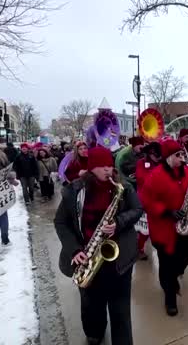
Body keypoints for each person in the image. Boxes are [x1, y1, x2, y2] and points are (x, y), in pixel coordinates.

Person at [54, 146, 142, 345]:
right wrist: (74, 249)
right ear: (92, 167)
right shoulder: (74, 190)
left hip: (119, 260)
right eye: (101, 166)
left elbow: (137, 209)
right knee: (91, 304)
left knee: (120, 310)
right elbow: (60, 222)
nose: (107, 170)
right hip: (87, 257)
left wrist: (118, 223)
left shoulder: (123, 187)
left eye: (109, 165)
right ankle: (94, 332)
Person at [139, 139, 188, 316]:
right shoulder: (155, 175)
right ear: (168, 157)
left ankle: (175, 274)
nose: (182, 157)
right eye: (178, 155)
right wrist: (167, 212)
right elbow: (146, 200)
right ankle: (170, 300)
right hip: (165, 229)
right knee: (167, 264)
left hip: (187, 226)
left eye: (182, 154)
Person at [134, 141, 162, 260]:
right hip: (144, 200)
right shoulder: (141, 163)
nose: (158, 157)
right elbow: (142, 179)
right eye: (155, 155)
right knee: (144, 230)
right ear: (149, 154)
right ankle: (138, 249)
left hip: (158, 200)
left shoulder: (161, 163)